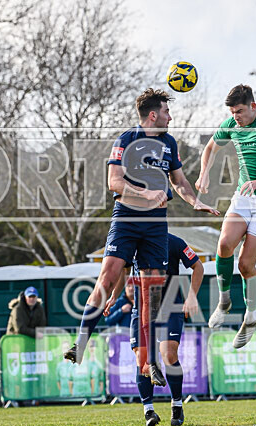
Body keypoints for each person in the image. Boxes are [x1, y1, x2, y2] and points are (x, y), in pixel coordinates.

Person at [64, 88, 218, 386]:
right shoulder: (127, 139)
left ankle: (149, 362)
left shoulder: (170, 143)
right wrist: (146, 191)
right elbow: (114, 181)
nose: (170, 117)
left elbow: (180, 181)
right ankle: (81, 342)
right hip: (127, 219)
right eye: (166, 112)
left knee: (151, 293)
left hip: (156, 226)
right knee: (107, 279)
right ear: (153, 115)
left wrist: (194, 200)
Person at [196, 84, 256, 348]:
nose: (236, 116)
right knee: (224, 245)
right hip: (244, 196)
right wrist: (204, 173)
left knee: (245, 264)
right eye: (232, 112)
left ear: (253, 106)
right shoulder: (231, 123)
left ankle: (251, 317)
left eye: (240, 111)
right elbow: (210, 148)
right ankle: (224, 300)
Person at [106, 233, 204, 426]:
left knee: (168, 355)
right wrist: (114, 297)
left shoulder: (175, 242)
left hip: (170, 307)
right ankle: (149, 411)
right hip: (141, 309)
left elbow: (198, 266)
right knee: (142, 360)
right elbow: (124, 272)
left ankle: (176, 404)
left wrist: (192, 296)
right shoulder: (132, 242)